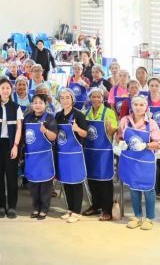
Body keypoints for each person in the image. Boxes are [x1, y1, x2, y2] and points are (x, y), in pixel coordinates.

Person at [117, 95, 160, 230]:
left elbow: (159, 144)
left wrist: (146, 145)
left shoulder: (151, 124)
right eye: (135, 104)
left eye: (141, 105)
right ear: (131, 106)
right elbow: (118, 135)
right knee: (133, 187)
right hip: (130, 161)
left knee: (148, 189)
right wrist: (120, 142)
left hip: (145, 162)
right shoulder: (125, 121)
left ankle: (149, 218)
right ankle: (137, 217)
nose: (138, 107)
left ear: (146, 107)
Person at [82, 87, 117, 220]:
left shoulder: (109, 112)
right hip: (89, 152)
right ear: (90, 98)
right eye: (94, 96)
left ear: (103, 98)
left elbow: (113, 131)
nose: (96, 99)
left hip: (103, 153)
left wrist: (110, 128)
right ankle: (95, 206)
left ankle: (107, 210)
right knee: (92, 180)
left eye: (99, 97)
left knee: (104, 181)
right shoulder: (85, 113)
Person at [54, 88, 89, 223]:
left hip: (75, 154)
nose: (65, 100)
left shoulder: (79, 115)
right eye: (62, 98)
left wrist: (77, 129)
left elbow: (85, 134)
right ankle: (69, 209)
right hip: (62, 154)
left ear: (72, 99)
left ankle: (77, 212)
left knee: (75, 182)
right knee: (66, 182)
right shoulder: (58, 115)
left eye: (67, 97)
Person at [0, 79, 23, 219]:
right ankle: (2, 206)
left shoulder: (16, 107)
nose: (5, 90)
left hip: (11, 144)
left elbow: (19, 128)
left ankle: (12, 206)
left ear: (11, 89)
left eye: (7, 88)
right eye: (2, 88)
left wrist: (16, 146)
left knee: (11, 176)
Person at [23, 93, 57, 220]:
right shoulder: (27, 118)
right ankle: (36, 207)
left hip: (45, 157)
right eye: (35, 102)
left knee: (45, 185)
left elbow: (53, 137)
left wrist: (46, 131)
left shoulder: (49, 119)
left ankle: (44, 209)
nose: (37, 105)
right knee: (33, 184)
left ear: (45, 104)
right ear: (32, 104)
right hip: (31, 156)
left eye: (40, 103)